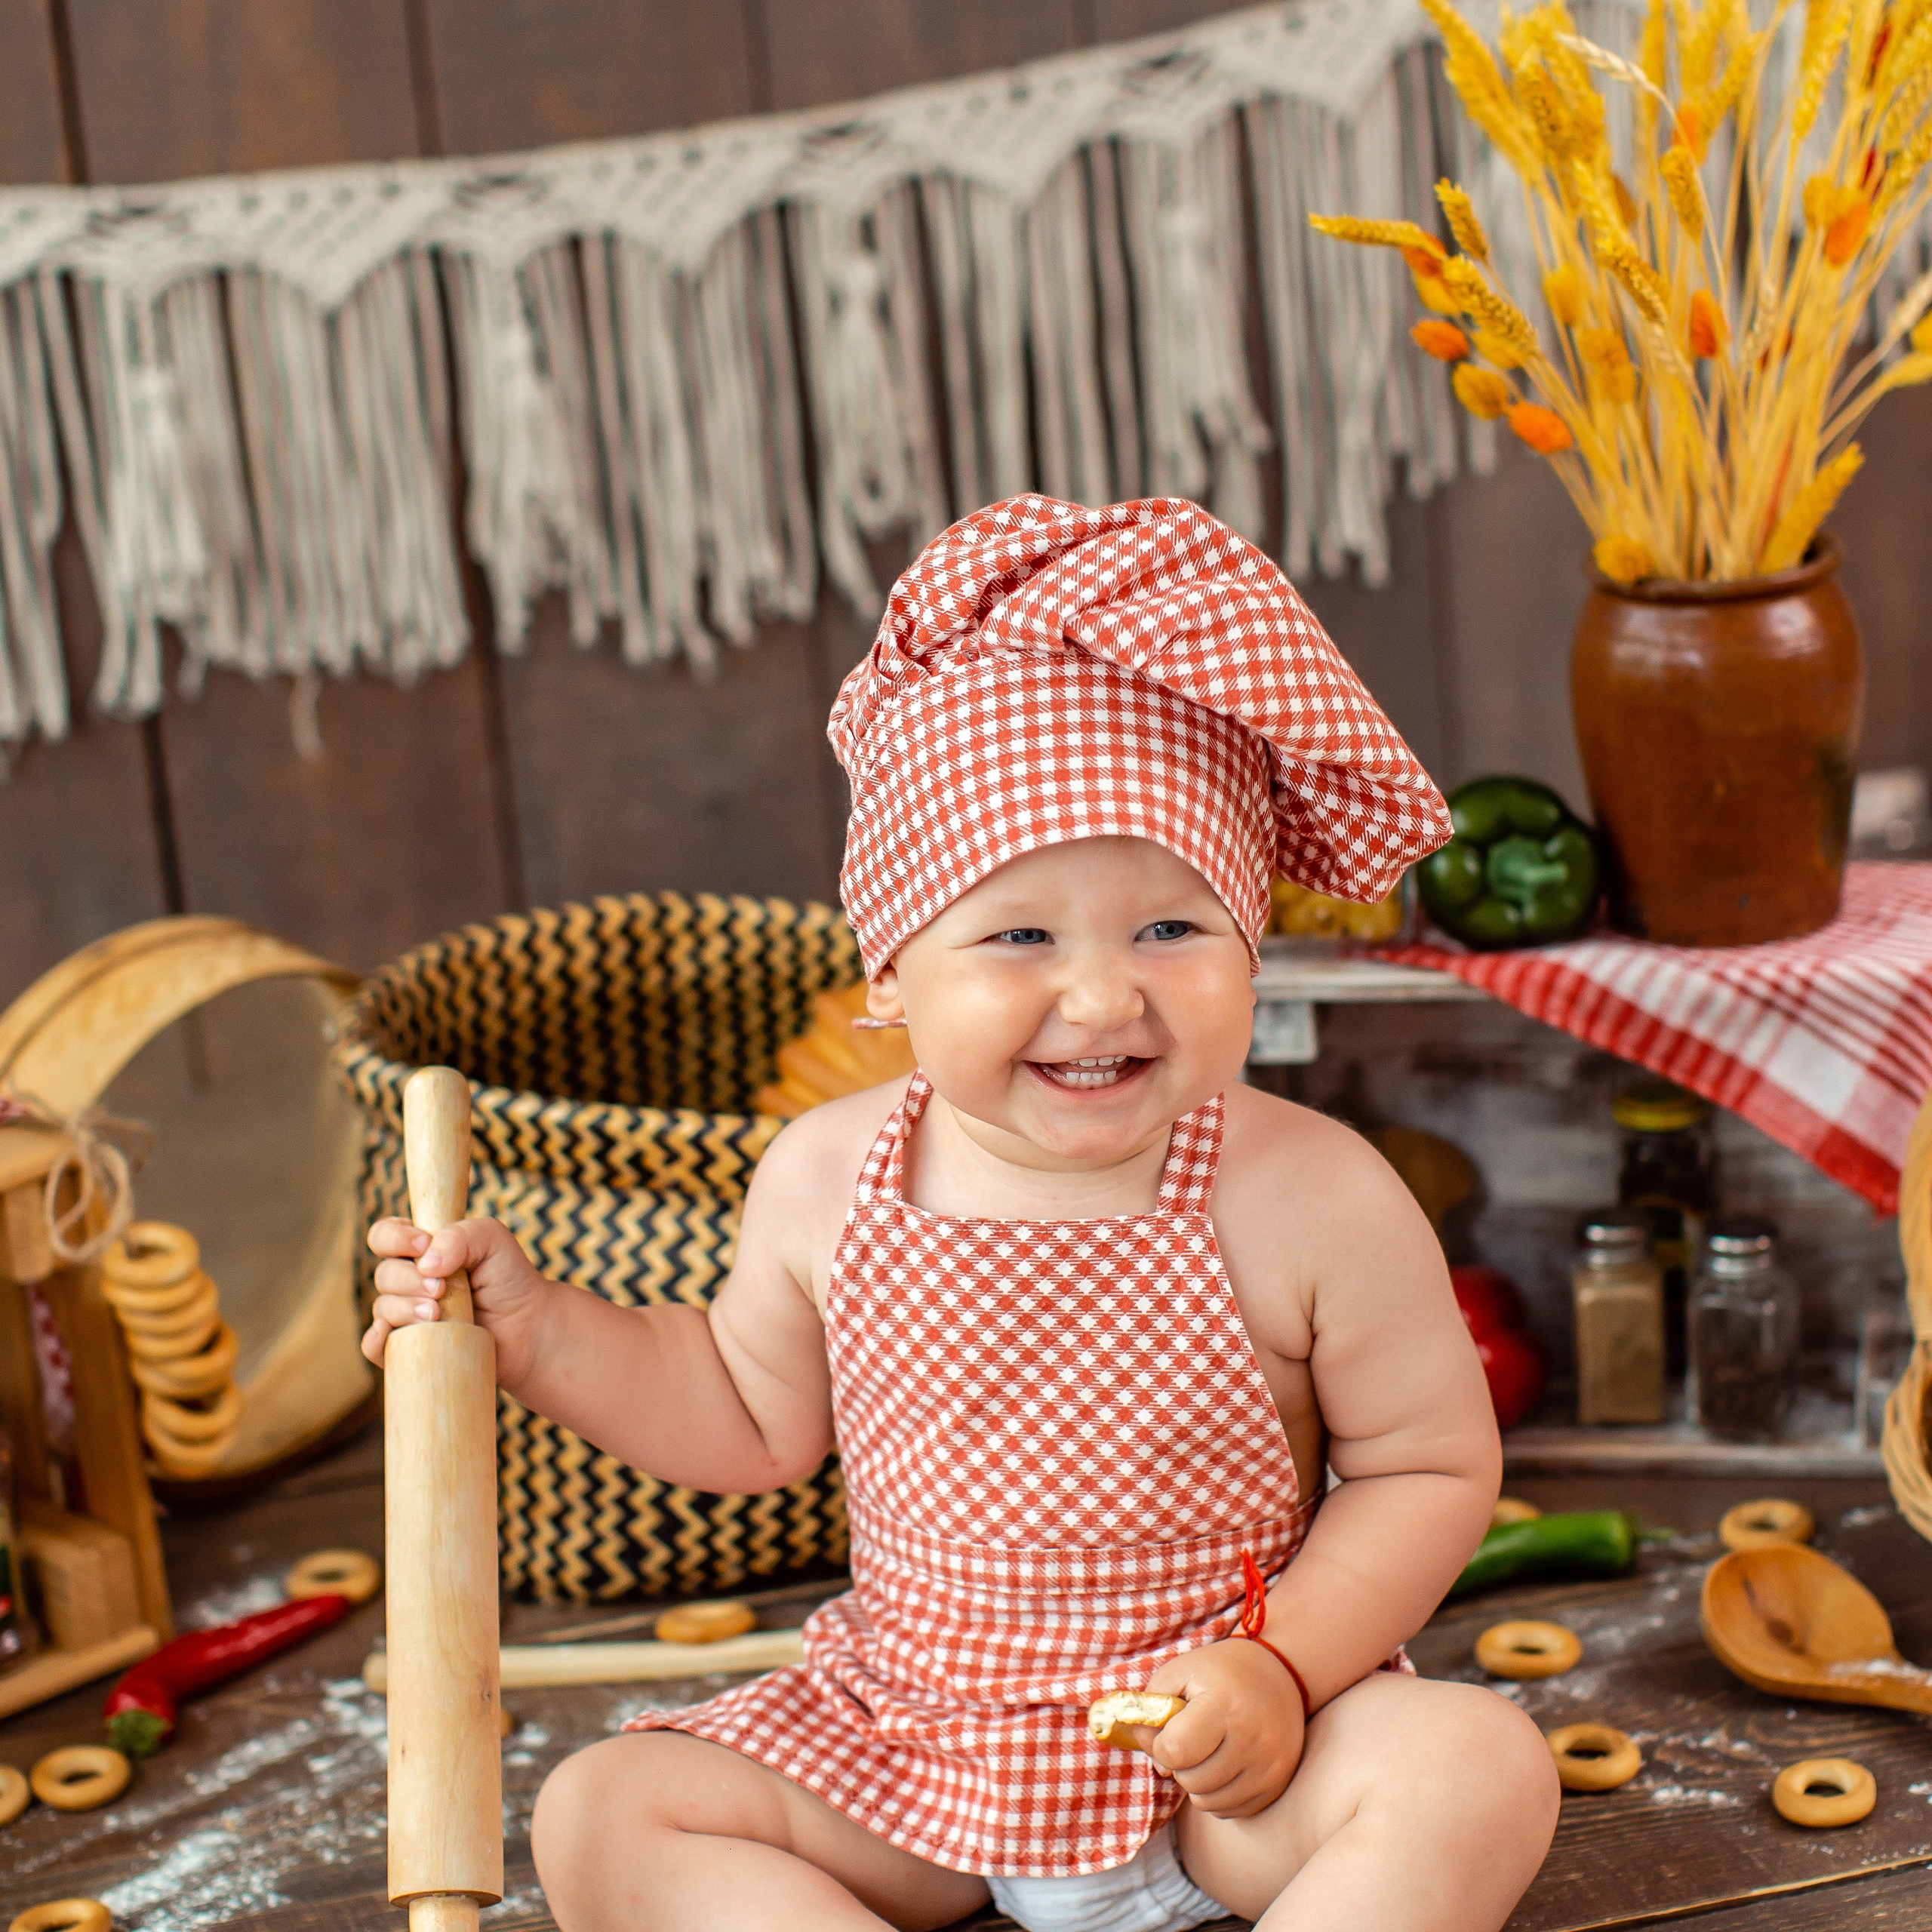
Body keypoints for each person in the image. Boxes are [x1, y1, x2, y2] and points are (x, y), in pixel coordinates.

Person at [364, 495, 1559, 1932]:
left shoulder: (1315, 1191)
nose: (1107, 995)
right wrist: (537, 1329)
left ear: (1253, 949)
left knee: (1479, 1767)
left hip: (1224, 1766)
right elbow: (745, 1413)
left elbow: (1424, 1472)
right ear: (890, 975)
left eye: (1174, 927)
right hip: (912, 1752)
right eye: (1020, 936)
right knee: (603, 1812)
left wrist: (1286, 1668)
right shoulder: (825, 1174)